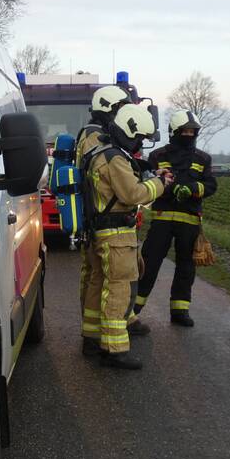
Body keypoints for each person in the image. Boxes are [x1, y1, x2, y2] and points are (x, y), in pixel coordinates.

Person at [81, 103, 173, 369]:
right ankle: (114, 349)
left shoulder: (102, 151)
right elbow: (132, 195)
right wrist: (160, 184)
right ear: (131, 131)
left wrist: (150, 175)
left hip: (101, 232)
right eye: (140, 138)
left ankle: (91, 338)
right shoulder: (115, 158)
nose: (140, 144)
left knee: (98, 285)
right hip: (116, 236)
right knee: (119, 289)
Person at [132, 109, 216, 328]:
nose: (189, 135)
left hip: (189, 222)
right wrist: (172, 189)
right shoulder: (158, 156)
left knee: (186, 267)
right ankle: (133, 310)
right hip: (162, 220)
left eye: (192, 131)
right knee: (149, 263)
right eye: (184, 131)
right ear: (174, 132)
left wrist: (192, 189)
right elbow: (149, 180)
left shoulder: (203, 158)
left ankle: (180, 310)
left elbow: (211, 185)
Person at [77, 85, 132, 355]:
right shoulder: (96, 138)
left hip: (94, 218)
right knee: (106, 278)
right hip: (103, 219)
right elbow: (111, 179)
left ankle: (92, 333)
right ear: (109, 108)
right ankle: (106, 340)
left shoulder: (91, 135)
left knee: (98, 276)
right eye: (121, 109)